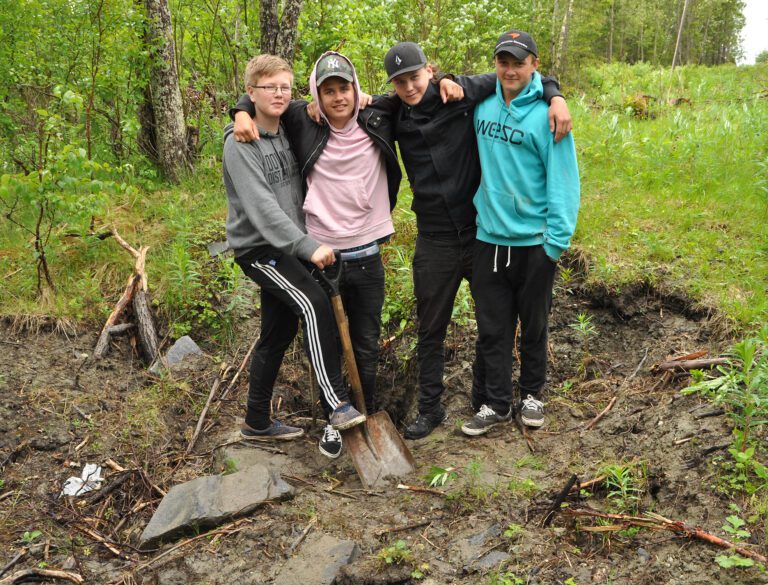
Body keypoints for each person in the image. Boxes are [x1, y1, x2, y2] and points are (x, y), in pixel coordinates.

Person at [230, 53, 466, 453]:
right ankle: (336, 414)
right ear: (315, 97)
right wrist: (240, 111)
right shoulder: (285, 125)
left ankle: (277, 418)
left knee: (312, 337)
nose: (338, 97)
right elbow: (264, 97)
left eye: (346, 88)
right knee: (319, 321)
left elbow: (416, 90)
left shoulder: (377, 113)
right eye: (328, 91)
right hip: (298, 250)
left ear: (358, 89)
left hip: (357, 250)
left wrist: (446, 78)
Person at [381, 42, 573, 439]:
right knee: (435, 327)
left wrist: (555, 95)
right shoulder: (392, 111)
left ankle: (489, 397)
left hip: (479, 231)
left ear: (430, 70)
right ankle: (432, 408)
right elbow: (340, 108)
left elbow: (517, 77)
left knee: (502, 320)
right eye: (400, 82)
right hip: (436, 236)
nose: (410, 87)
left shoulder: (462, 97)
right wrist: (248, 105)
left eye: (415, 77)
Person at [222, 54, 366, 446]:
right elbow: (262, 210)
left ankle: (256, 421)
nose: (279, 94)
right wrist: (307, 245)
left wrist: (361, 96)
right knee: (313, 303)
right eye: (270, 88)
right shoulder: (240, 142)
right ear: (251, 93)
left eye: (285, 87)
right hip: (260, 249)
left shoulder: (285, 124)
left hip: (287, 246)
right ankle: (337, 403)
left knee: (276, 332)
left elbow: (329, 101)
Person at [460, 30, 580, 437]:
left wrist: (555, 244)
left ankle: (532, 394)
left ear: (534, 64)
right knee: (492, 328)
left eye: (518, 62)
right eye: (503, 62)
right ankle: (496, 402)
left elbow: (563, 181)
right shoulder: (482, 106)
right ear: (495, 64)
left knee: (534, 324)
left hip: (534, 243)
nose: (510, 70)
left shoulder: (549, 116)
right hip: (489, 239)